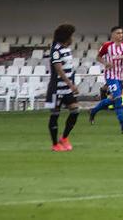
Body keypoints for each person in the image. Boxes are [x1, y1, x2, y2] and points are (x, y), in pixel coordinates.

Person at [88, 25, 123, 134]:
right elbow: (98, 57)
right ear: (113, 35)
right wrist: (105, 63)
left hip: (120, 76)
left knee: (113, 98)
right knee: (118, 98)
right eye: (118, 33)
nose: (120, 35)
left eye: (122, 33)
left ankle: (93, 111)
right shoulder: (107, 46)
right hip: (110, 76)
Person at [46, 23, 81, 152]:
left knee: (75, 111)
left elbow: (69, 69)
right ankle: (55, 144)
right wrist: (71, 84)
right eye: (71, 36)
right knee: (55, 115)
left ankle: (64, 137)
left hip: (66, 89)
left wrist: (71, 83)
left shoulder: (66, 49)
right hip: (56, 88)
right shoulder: (55, 50)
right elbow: (59, 69)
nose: (72, 38)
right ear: (66, 37)